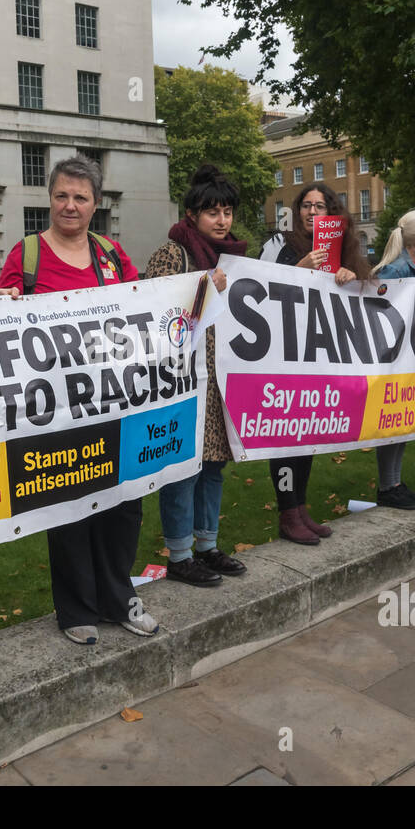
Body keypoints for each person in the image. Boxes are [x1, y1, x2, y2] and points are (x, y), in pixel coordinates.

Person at [0, 156, 158, 646]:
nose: (70, 205)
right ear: (50, 198)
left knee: (123, 506)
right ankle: (76, 609)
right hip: (54, 414)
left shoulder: (111, 255)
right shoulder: (27, 256)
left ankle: (118, 596)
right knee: (68, 508)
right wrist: (5, 307)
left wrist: (198, 290)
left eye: (80, 197)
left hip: (115, 403)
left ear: (96, 204)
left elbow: (145, 305)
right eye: (62, 195)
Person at [144, 165, 247, 586]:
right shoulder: (174, 253)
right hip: (184, 379)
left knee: (213, 466)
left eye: (227, 212)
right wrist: (206, 288)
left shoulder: (232, 258)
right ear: (192, 215)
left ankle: (208, 545)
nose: (222, 221)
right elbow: (155, 313)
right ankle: (181, 554)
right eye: (212, 213)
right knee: (184, 467)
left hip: (218, 376)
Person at [260, 182, 370, 543]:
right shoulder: (279, 245)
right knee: (285, 438)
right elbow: (261, 287)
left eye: (320, 207)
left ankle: (300, 507)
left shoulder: (342, 248)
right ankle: (287, 511)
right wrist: (301, 269)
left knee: (306, 435)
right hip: (283, 357)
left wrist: (351, 277)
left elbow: (360, 297)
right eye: (306, 206)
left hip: (318, 357)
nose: (312, 212)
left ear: (330, 212)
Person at [368, 209, 415, 509]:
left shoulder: (414, 267)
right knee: (391, 420)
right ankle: (388, 486)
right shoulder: (397, 270)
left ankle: (395, 483)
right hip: (395, 359)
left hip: (409, 357)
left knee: (402, 420)